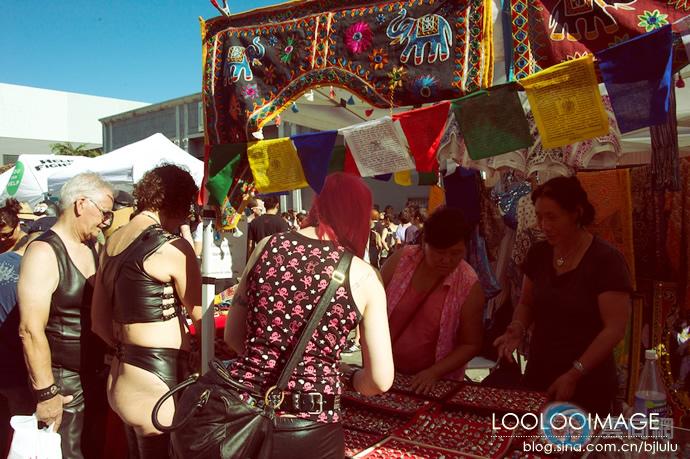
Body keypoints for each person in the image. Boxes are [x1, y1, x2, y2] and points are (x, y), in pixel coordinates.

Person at [224, 172, 394, 459]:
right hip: (312, 424)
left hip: (245, 412)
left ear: (318, 205)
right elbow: (380, 380)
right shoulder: (364, 275)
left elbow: (233, 336)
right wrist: (351, 377)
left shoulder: (268, 246)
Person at [493, 176, 631, 415]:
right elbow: (527, 303)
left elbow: (614, 329)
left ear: (576, 214)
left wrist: (574, 373)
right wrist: (517, 327)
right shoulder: (539, 254)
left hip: (589, 379)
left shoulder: (606, 261)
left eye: (552, 217)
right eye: (539, 217)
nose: (543, 225)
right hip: (540, 372)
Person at [91, 165, 202, 458]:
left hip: (123, 374)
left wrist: (126, 349)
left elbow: (98, 322)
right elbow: (200, 315)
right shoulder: (173, 247)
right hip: (155, 380)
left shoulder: (112, 241)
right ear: (179, 203)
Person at [18, 173, 114, 459]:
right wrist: (46, 393)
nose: (106, 222)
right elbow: (29, 330)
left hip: (93, 376)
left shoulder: (92, 247)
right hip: (62, 382)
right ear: (81, 204)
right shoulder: (43, 252)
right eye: (104, 212)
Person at [381, 206, 485, 394]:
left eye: (455, 253)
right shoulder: (403, 260)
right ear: (424, 244)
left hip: (432, 384)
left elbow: (471, 343)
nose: (447, 260)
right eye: (439, 252)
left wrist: (434, 372)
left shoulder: (468, 284)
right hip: (383, 371)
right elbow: (371, 304)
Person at [0, 218, 55, 455]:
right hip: (18, 371)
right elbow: (31, 330)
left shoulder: (2, 259)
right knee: (21, 439)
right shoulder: (35, 273)